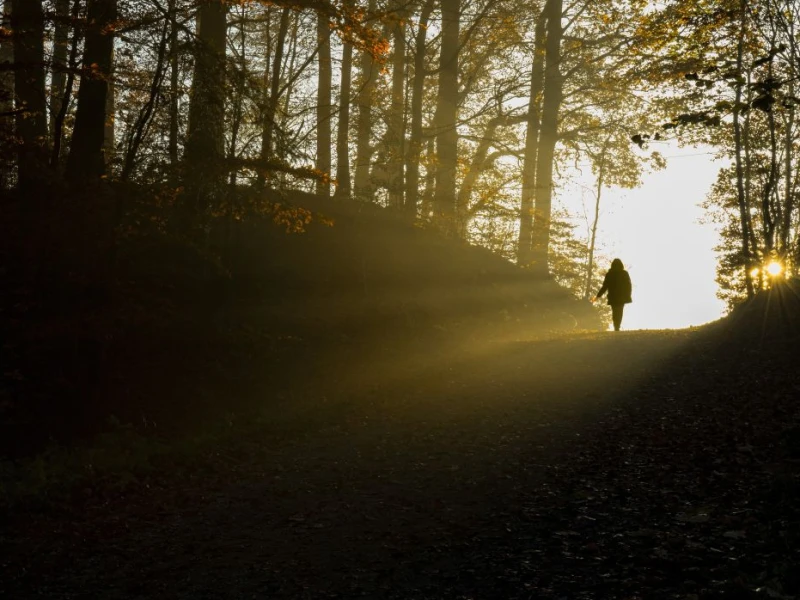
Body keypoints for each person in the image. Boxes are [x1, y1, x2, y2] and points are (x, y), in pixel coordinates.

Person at [593, 258, 632, 331]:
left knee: (614, 312)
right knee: (619, 312)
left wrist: (598, 296)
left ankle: (616, 326)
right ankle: (617, 326)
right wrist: (628, 295)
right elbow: (628, 285)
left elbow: (605, 286)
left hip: (613, 297)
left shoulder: (610, 274)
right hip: (621, 297)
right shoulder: (624, 273)